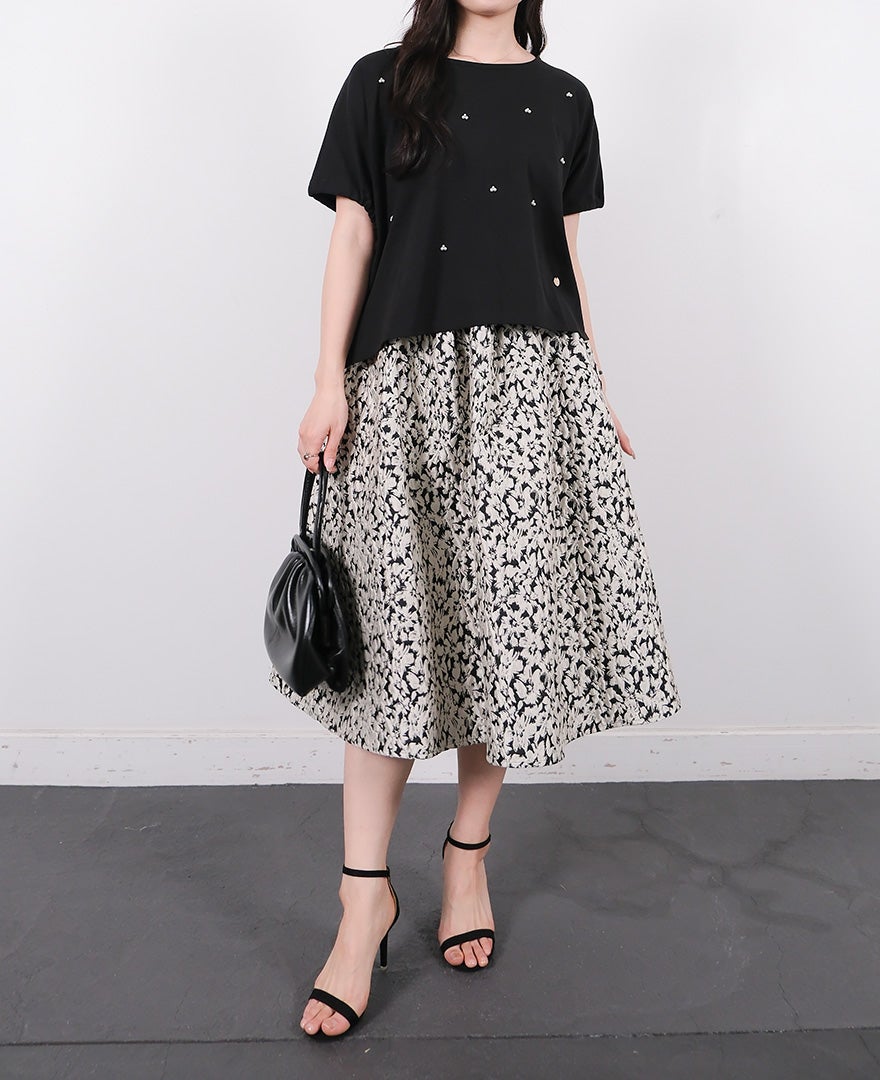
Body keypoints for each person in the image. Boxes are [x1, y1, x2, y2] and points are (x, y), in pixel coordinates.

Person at [269, 0, 682, 1039]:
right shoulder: (382, 81)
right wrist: (327, 380)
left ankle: (466, 859)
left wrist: (594, 386)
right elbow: (353, 232)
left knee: (502, 633)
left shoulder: (565, 100)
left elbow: (565, 259)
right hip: (402, 388)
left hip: (531, 393)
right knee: (387, 651)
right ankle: (362, 899)